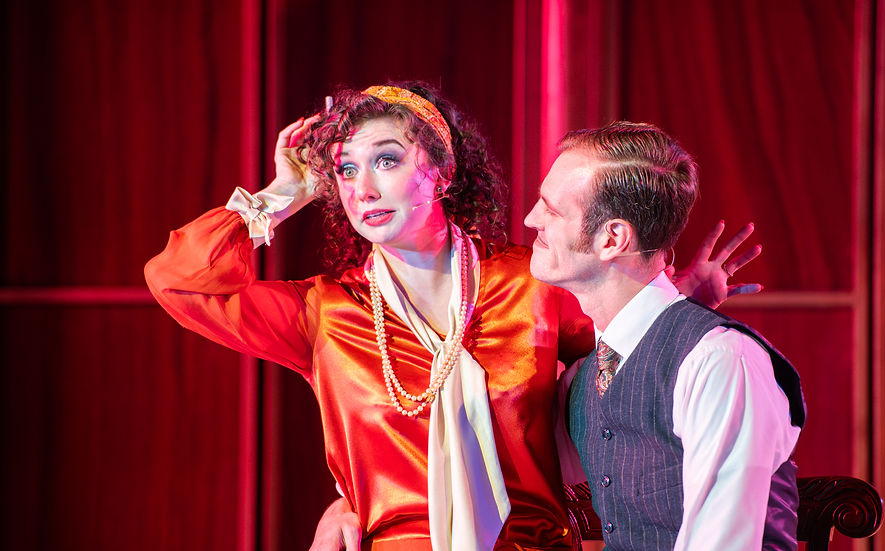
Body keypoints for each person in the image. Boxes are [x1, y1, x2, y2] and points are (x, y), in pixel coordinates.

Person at [145, 82, 759, 550]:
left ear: (440, 171)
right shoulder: (327, 313)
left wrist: (679, 298)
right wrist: (282, 196)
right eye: (344, 170)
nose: (362, 188)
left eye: (385, 160)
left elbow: (627, 364)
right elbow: (178, 281)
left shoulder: (534, 282)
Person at [522, 121, 806, 551]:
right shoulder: (588, 377)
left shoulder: (722, 362)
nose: (530, 219)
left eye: (552, 209)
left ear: (612, 238)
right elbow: (518, 469)